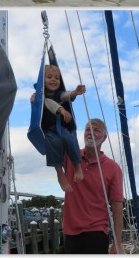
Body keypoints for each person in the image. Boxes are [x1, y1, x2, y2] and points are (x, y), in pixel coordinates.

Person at [62, 118, 124, 254]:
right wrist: (38, 105)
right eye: (88, 129)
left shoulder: (113, 168)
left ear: (105, 137)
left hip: (96, 232)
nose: (91, 133)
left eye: (96, 130)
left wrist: (117, 242)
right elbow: (48, 143)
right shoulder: (70, 157)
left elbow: (117, 205)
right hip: (71, 233)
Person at [30, 65, 85, 193]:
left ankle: (77, 166)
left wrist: (74, 93)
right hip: (48, 129)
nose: (54, 80)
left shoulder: (58, 93)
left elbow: (65, 95)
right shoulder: (39, 96)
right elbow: (47, 102)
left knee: (70, 139)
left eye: (57, 78)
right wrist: (61, 110)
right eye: (49, 77)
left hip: (61, 127)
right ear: (42, 81)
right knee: (53, 143)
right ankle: (60, 173)